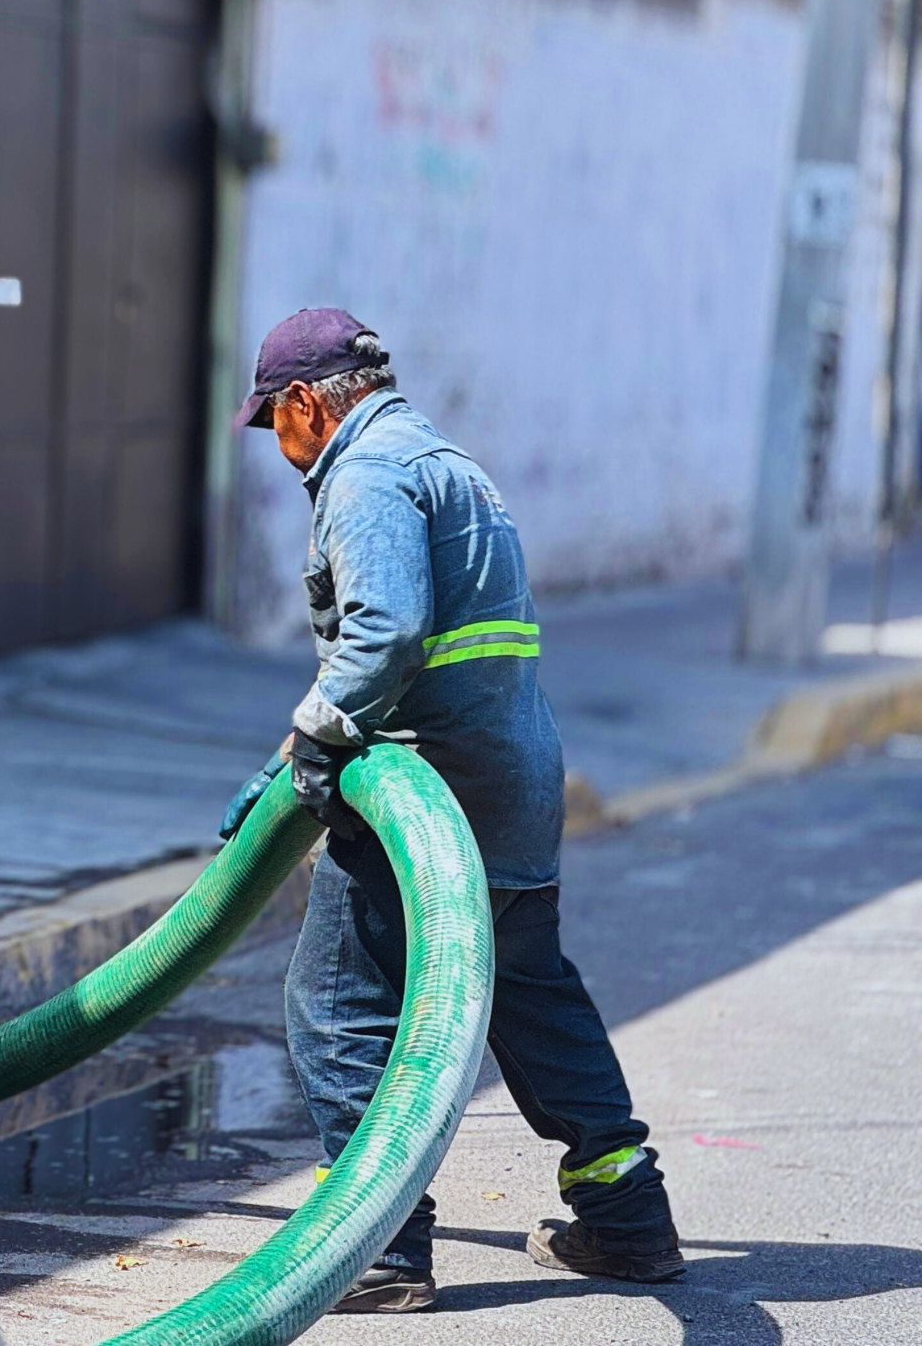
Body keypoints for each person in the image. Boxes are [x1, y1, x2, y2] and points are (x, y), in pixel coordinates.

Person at [221, 308, 682, 1314]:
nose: (277, 445)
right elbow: (402, 652)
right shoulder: (444, 462)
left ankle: (379, 1246)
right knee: (527, 996)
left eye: (273, 423)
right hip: (512, 782)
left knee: (337, 1004)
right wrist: (287, 757)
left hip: (425, 800)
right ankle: (626, 1218)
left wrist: (317, 748)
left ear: (304, 403)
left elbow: (384, 634)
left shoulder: (365, 474)